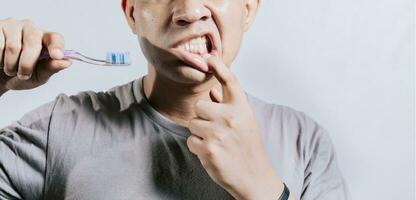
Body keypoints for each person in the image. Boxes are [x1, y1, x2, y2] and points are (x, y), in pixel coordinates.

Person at [0, 0, 350, 199]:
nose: (189, 10)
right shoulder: (56, 130)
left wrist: (261, 187)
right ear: (131, 13)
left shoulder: (305, 143)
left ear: (248, 8)